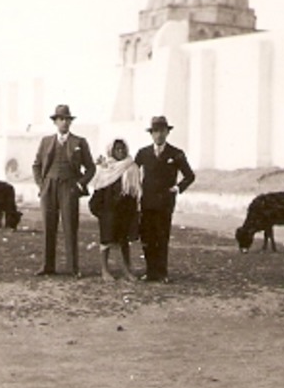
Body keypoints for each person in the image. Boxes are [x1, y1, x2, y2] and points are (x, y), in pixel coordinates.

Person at [32, 104, 95, 277]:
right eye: (61, 119)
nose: (64, 123)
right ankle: (47, 266)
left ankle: (73, 268)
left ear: (70, 122)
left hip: (69, 186)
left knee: (70, 226)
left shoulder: (79, 142)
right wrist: (41, 184)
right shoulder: (46, 142)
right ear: (55, 122)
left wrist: (79, 184)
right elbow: (36, 165)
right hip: (49, 187)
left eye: (67, 119)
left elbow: (91, 168)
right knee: (48, 226)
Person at [134, 115, 196, 282]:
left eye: (162, 131)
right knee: (147, 237)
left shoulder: (176, 154)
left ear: (167, 132)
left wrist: (177, 188)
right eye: (155, 131)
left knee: (162, 236)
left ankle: (162, 273)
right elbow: (131, 171)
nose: (159, 135)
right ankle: (150, 272)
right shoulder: (143, 153)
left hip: (165, 203)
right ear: (151, 134)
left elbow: (190, 176)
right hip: (146, 202)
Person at [90, 139, 142, 282]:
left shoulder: (132, 167)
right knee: (106, 242)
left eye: (123, 149)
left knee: (123, 241)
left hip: (125, 211)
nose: (121, 151)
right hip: (108, 212)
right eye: (117, 149)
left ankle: (126, 269)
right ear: (111, 151)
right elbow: (97, 195)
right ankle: (104, 270)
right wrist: (102, 213)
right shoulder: (106, 169)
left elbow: (134, 191)